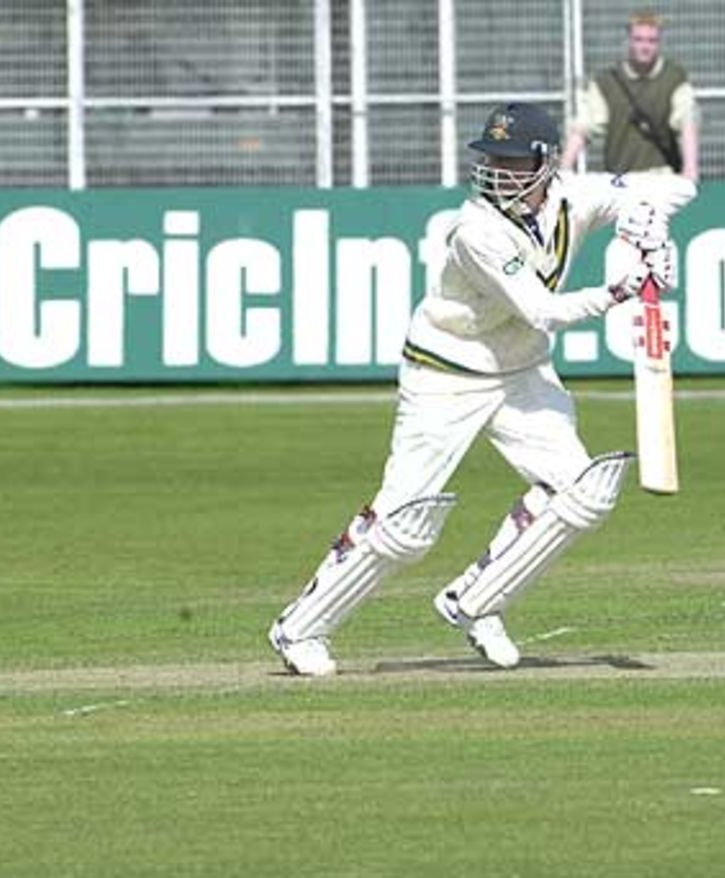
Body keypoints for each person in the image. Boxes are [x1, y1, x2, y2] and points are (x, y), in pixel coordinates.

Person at [268, 102, 696, 676]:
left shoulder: (575, 197)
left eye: (512, 160)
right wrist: (619, 289)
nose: (497, 170)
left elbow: (670, 189)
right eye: (492, 158)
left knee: (582, 492)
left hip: (521, 373)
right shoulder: (476, 230)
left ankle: (476, 602)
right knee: (404, 525)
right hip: (445, 374)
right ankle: (300, 629)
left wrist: (644, 229)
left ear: (545, 163)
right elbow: (542, 310)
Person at [560, 10, 699, 182]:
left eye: (651, 40)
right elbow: (583, 127)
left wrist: (690, 168)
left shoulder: (674, 78)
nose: (645, 46)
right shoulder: (607, 82)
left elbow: (686, 123)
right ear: (629, 41)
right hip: (620, 178)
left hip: (662, 176)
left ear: (659, 43)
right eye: (638, 39)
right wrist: (565, 169)